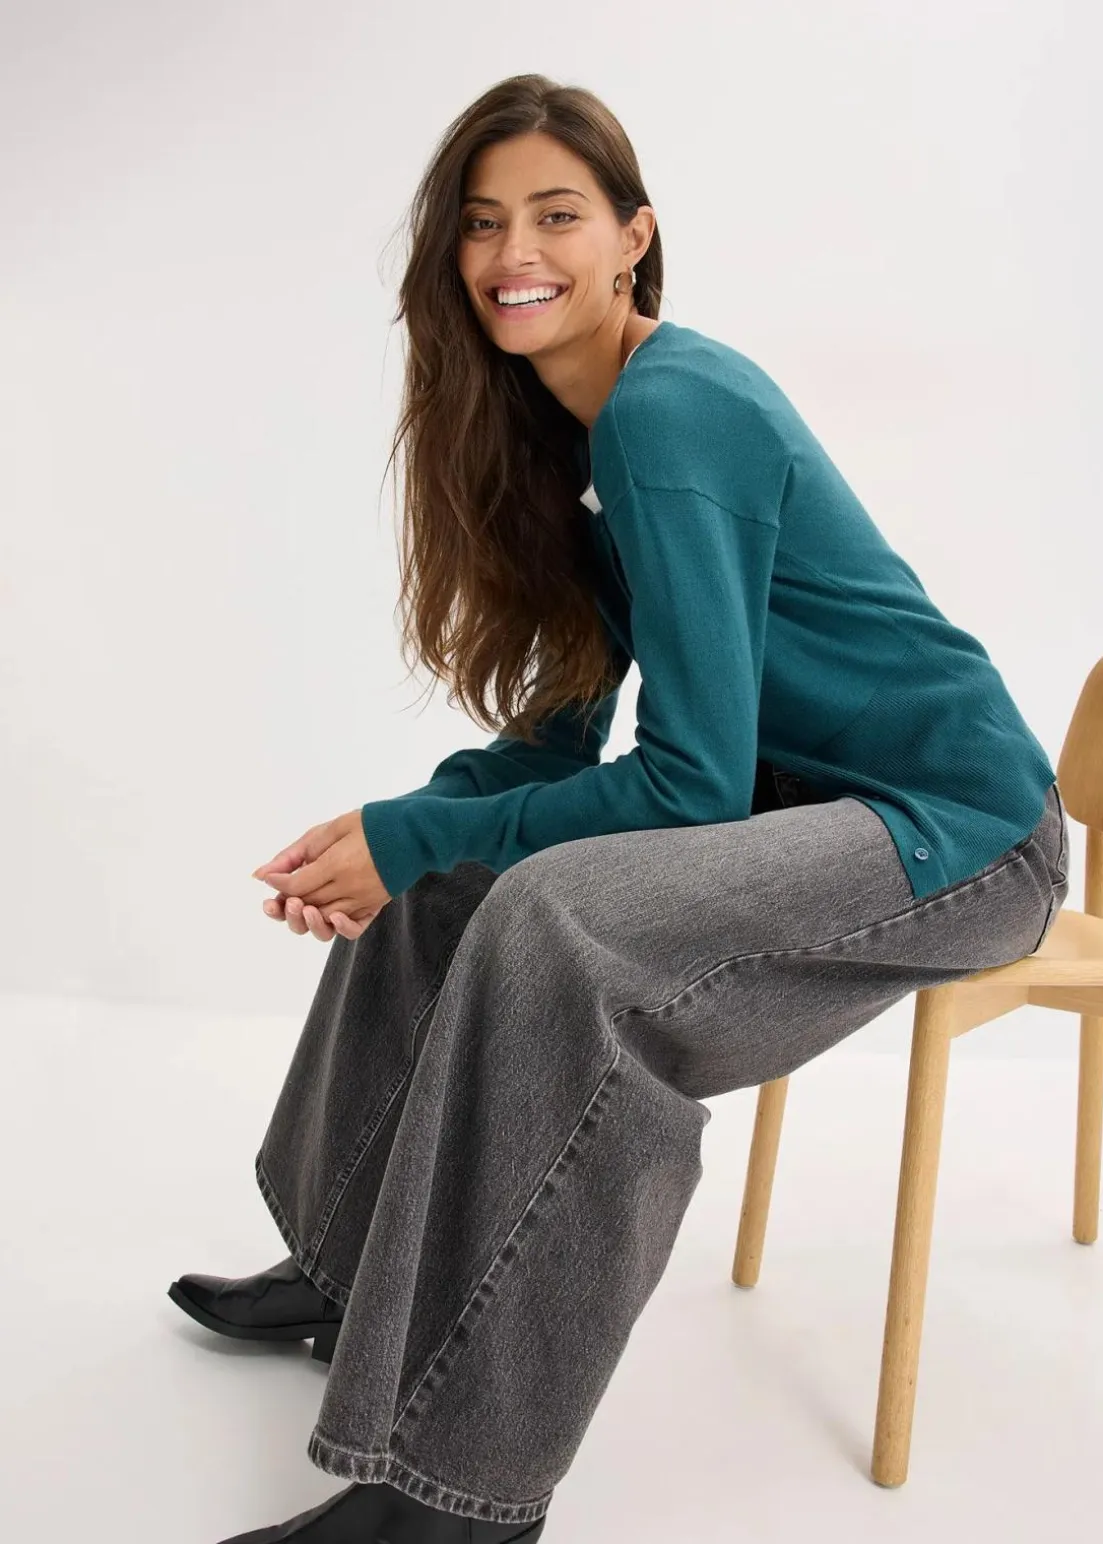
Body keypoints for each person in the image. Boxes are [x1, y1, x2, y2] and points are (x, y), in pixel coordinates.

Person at [168, 72, 1070, 1544]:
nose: (514, 252)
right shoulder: (566, 431)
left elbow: (690, 781)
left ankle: (462, 1494)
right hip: (798, 807)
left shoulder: (671, 409)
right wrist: (399, 830)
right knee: (454, 885)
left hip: (955, 834)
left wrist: (422, 837)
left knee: (560, 929)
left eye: (557, 215)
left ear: (634, 239)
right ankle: (353, 1270)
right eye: (482, 223)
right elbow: (570, 731)